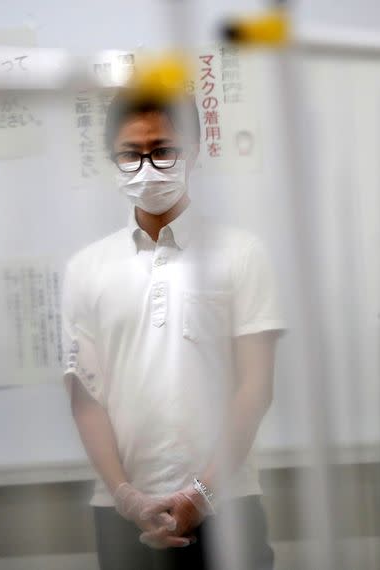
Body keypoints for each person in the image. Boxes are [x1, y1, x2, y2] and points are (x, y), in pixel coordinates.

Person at [62, 88, 284, 570]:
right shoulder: (86, 268)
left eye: (163, 151)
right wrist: (127, 498)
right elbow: (85, 397)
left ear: (194, 152)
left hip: (229, 505)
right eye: (130, 154)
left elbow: (255, 387)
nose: (146, 166)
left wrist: (201, 493)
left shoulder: (241, 254)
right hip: (121, 515)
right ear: (112, 160)